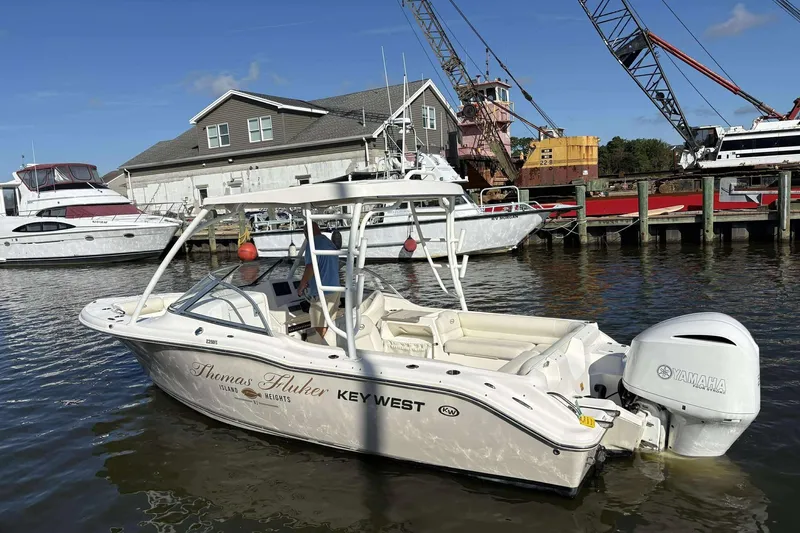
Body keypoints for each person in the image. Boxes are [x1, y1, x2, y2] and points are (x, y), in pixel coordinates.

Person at [297, 222, 340, 343]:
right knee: (329, 324)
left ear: (306, 232)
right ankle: (329, 345)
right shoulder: (328, 242)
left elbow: (310, 267)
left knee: (319, 327)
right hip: (335, 290)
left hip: (322, 292)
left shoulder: (312, 243)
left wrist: (301, 286)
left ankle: (319, 350)